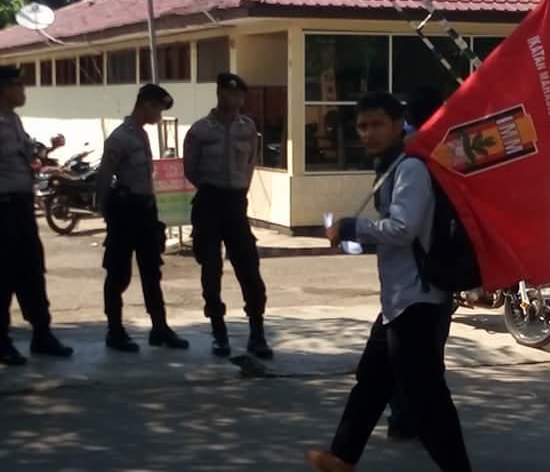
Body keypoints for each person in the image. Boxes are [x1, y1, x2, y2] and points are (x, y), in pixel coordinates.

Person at [306, 92, 471, 472]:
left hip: (418, 299)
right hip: (398, 300)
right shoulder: (391, 166)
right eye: (363, 126)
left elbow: (403, 227)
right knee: (373, 380)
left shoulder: (410, 168)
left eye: (378, 124)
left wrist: (351, 226)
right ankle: (341, 457)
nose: (369, 133)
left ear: (399, 125)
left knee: (426, 397)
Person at [183, 73, 273, 360]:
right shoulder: (200, 130)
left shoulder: (248, 128)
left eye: (240, 96)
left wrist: (239, 190)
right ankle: (218, 332)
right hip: (209, 201)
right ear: (220, 93)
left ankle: (257, 333)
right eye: (230, 94)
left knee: (249, 267)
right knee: (211, 269)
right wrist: (214, 188)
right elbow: (191, 169)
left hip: (236, 203)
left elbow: (250, 162)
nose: (235, 100)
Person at [96, 84, 189, 353]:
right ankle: (115, 331)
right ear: (146, 104)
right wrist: (106, 213)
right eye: (159, 108)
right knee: (118, 273)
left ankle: (160, 328)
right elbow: (104, 175)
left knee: (152, 271)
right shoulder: (121, 138)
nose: (160, 114)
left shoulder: (141, 135)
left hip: (145, 212)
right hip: (125, 213)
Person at [0, 65, 73, 366]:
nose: (23, 90)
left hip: (21, 208)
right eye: (18, 85)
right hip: (1, 209)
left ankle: (42, 334)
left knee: (32, 270)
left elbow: (28, 155)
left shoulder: (14, 120)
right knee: (3, 275)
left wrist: (48, 152)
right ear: (3, 87)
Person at [388, 85, 447, 442]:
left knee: (401, 356)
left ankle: (410, 418)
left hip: (413, 270)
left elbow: (401, 225)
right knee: (425, 353)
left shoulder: (406, 155)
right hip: (437, 266)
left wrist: (356, 229)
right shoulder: (445, 149)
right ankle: (419, 418)